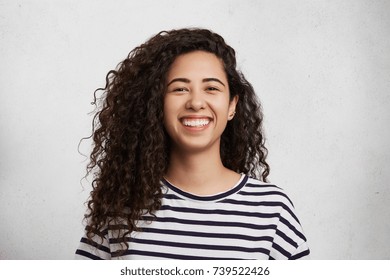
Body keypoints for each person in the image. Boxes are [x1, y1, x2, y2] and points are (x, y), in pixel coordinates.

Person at [75, 28, 310, 260]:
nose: (196, 102)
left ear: (232, 106)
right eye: (179, 89)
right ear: (157, 105)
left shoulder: (271, 210)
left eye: (211, 88)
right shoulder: (120, 210)